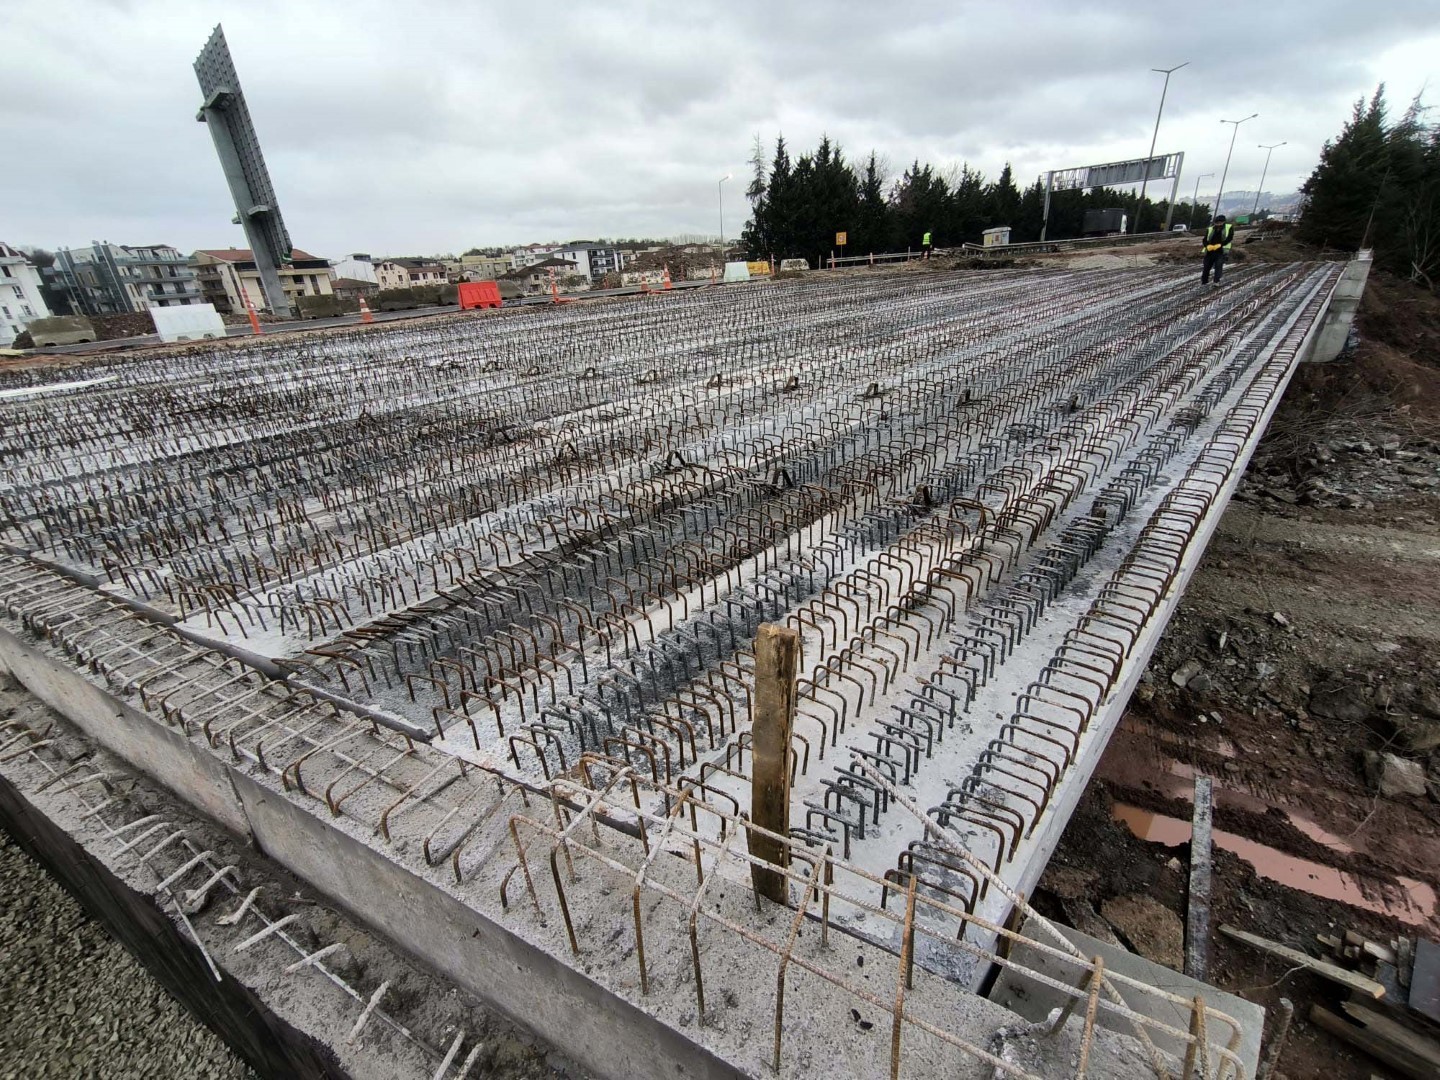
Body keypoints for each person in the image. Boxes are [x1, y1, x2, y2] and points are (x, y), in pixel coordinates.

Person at [1201, 215, 1234, 285]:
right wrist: (1207, 245)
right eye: (1217, 222)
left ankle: (1216, 281)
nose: (1218, 224)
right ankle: (1204, 281)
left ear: (1223, 222)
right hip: (1210, 251)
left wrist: (1220, 244)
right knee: (1206, 266)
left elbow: (1229, 238)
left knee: (1218, 266)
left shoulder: (1229, 228)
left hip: (1221, 251)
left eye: (1220, 222)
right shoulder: (1210, 229)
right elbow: (1204, 239)